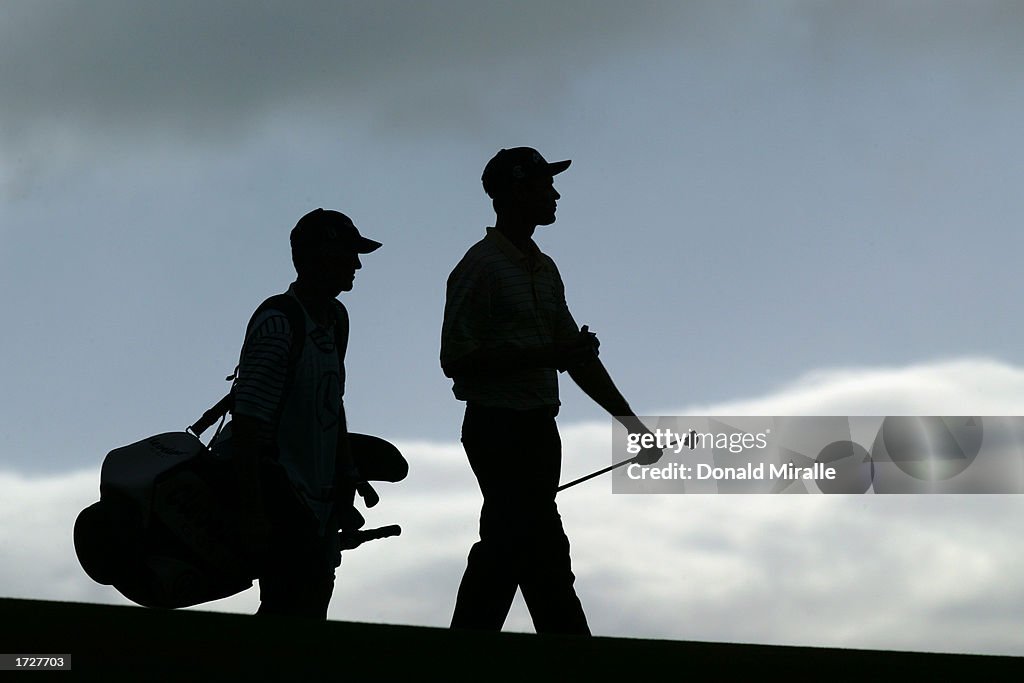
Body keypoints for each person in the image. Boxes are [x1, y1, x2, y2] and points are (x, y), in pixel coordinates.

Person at [441, 147, 663, 635]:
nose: (555, 193)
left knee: (509, 545)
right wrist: (550, 356)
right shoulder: (479, 267)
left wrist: (631, 425)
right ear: (518, 191)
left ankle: (461, 651)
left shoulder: (546, 269)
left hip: (540, 429)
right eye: (545, 185)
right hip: (497, 427)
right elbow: (455, 359)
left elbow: (573, 354)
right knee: (538, 548)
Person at [231, 207, 382, 619]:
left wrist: (348, 472)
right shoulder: (279, 323)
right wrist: (253, 512)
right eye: (349, 252)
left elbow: (333, 401)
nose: (357, 262)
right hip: (281, 500)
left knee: (306, 612)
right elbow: (248, 424)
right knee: (288, 615)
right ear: (319, 257)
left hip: (318, 506)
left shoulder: (336, 319)